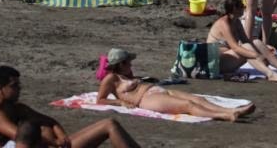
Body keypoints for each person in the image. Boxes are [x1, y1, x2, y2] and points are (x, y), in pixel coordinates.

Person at [0, 65, 142, 148]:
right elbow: (20, 137)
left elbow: (49, 120)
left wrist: (61, 135)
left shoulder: (15, 106)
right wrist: (54, 141)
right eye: (14, 86)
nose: (19, 90)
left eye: (19, 86)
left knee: (110, 123)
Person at [96, 49, 253, 121]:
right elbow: (100, 100)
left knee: (197, 99)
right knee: (188, 105)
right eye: (129, 62)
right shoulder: (111, 79)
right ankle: (226, 116)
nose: (131, 64)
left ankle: (231, 110)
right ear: (121, 64)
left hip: (157, 91)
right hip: (145, 99)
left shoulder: (126, 74)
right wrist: (121, 101)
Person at [207, 0, 277, 81]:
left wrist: (265, 48)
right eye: (242, 6)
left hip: (229, 57)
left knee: (256, 42)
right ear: (235, 8)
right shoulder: (224, 23)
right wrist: (256, 55)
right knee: (247, 48)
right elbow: (235, 47)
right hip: (216, 63)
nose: (244, 8)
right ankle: (270, 74)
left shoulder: (236, 22)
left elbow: (246, 41)